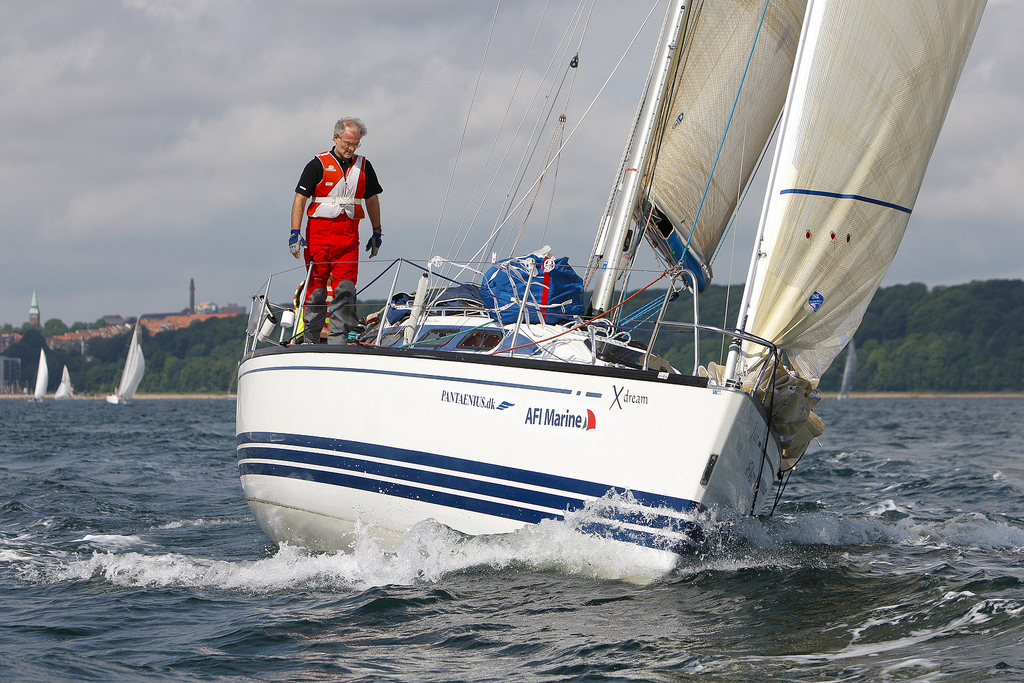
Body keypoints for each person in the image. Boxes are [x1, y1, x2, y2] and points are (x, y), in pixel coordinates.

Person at [290, 117, 383, 343]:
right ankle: (309, 340)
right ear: (336, 137)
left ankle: (339, 342)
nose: (351, 148)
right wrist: (295, 232)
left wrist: (377, 231)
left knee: (346, 289)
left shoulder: (364, 167)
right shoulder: (317, 165)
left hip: (348, 239)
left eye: (355, 144)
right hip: (319, 238)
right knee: (316, 289)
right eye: (347, 143)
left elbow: (371, 199)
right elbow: (300, 199)